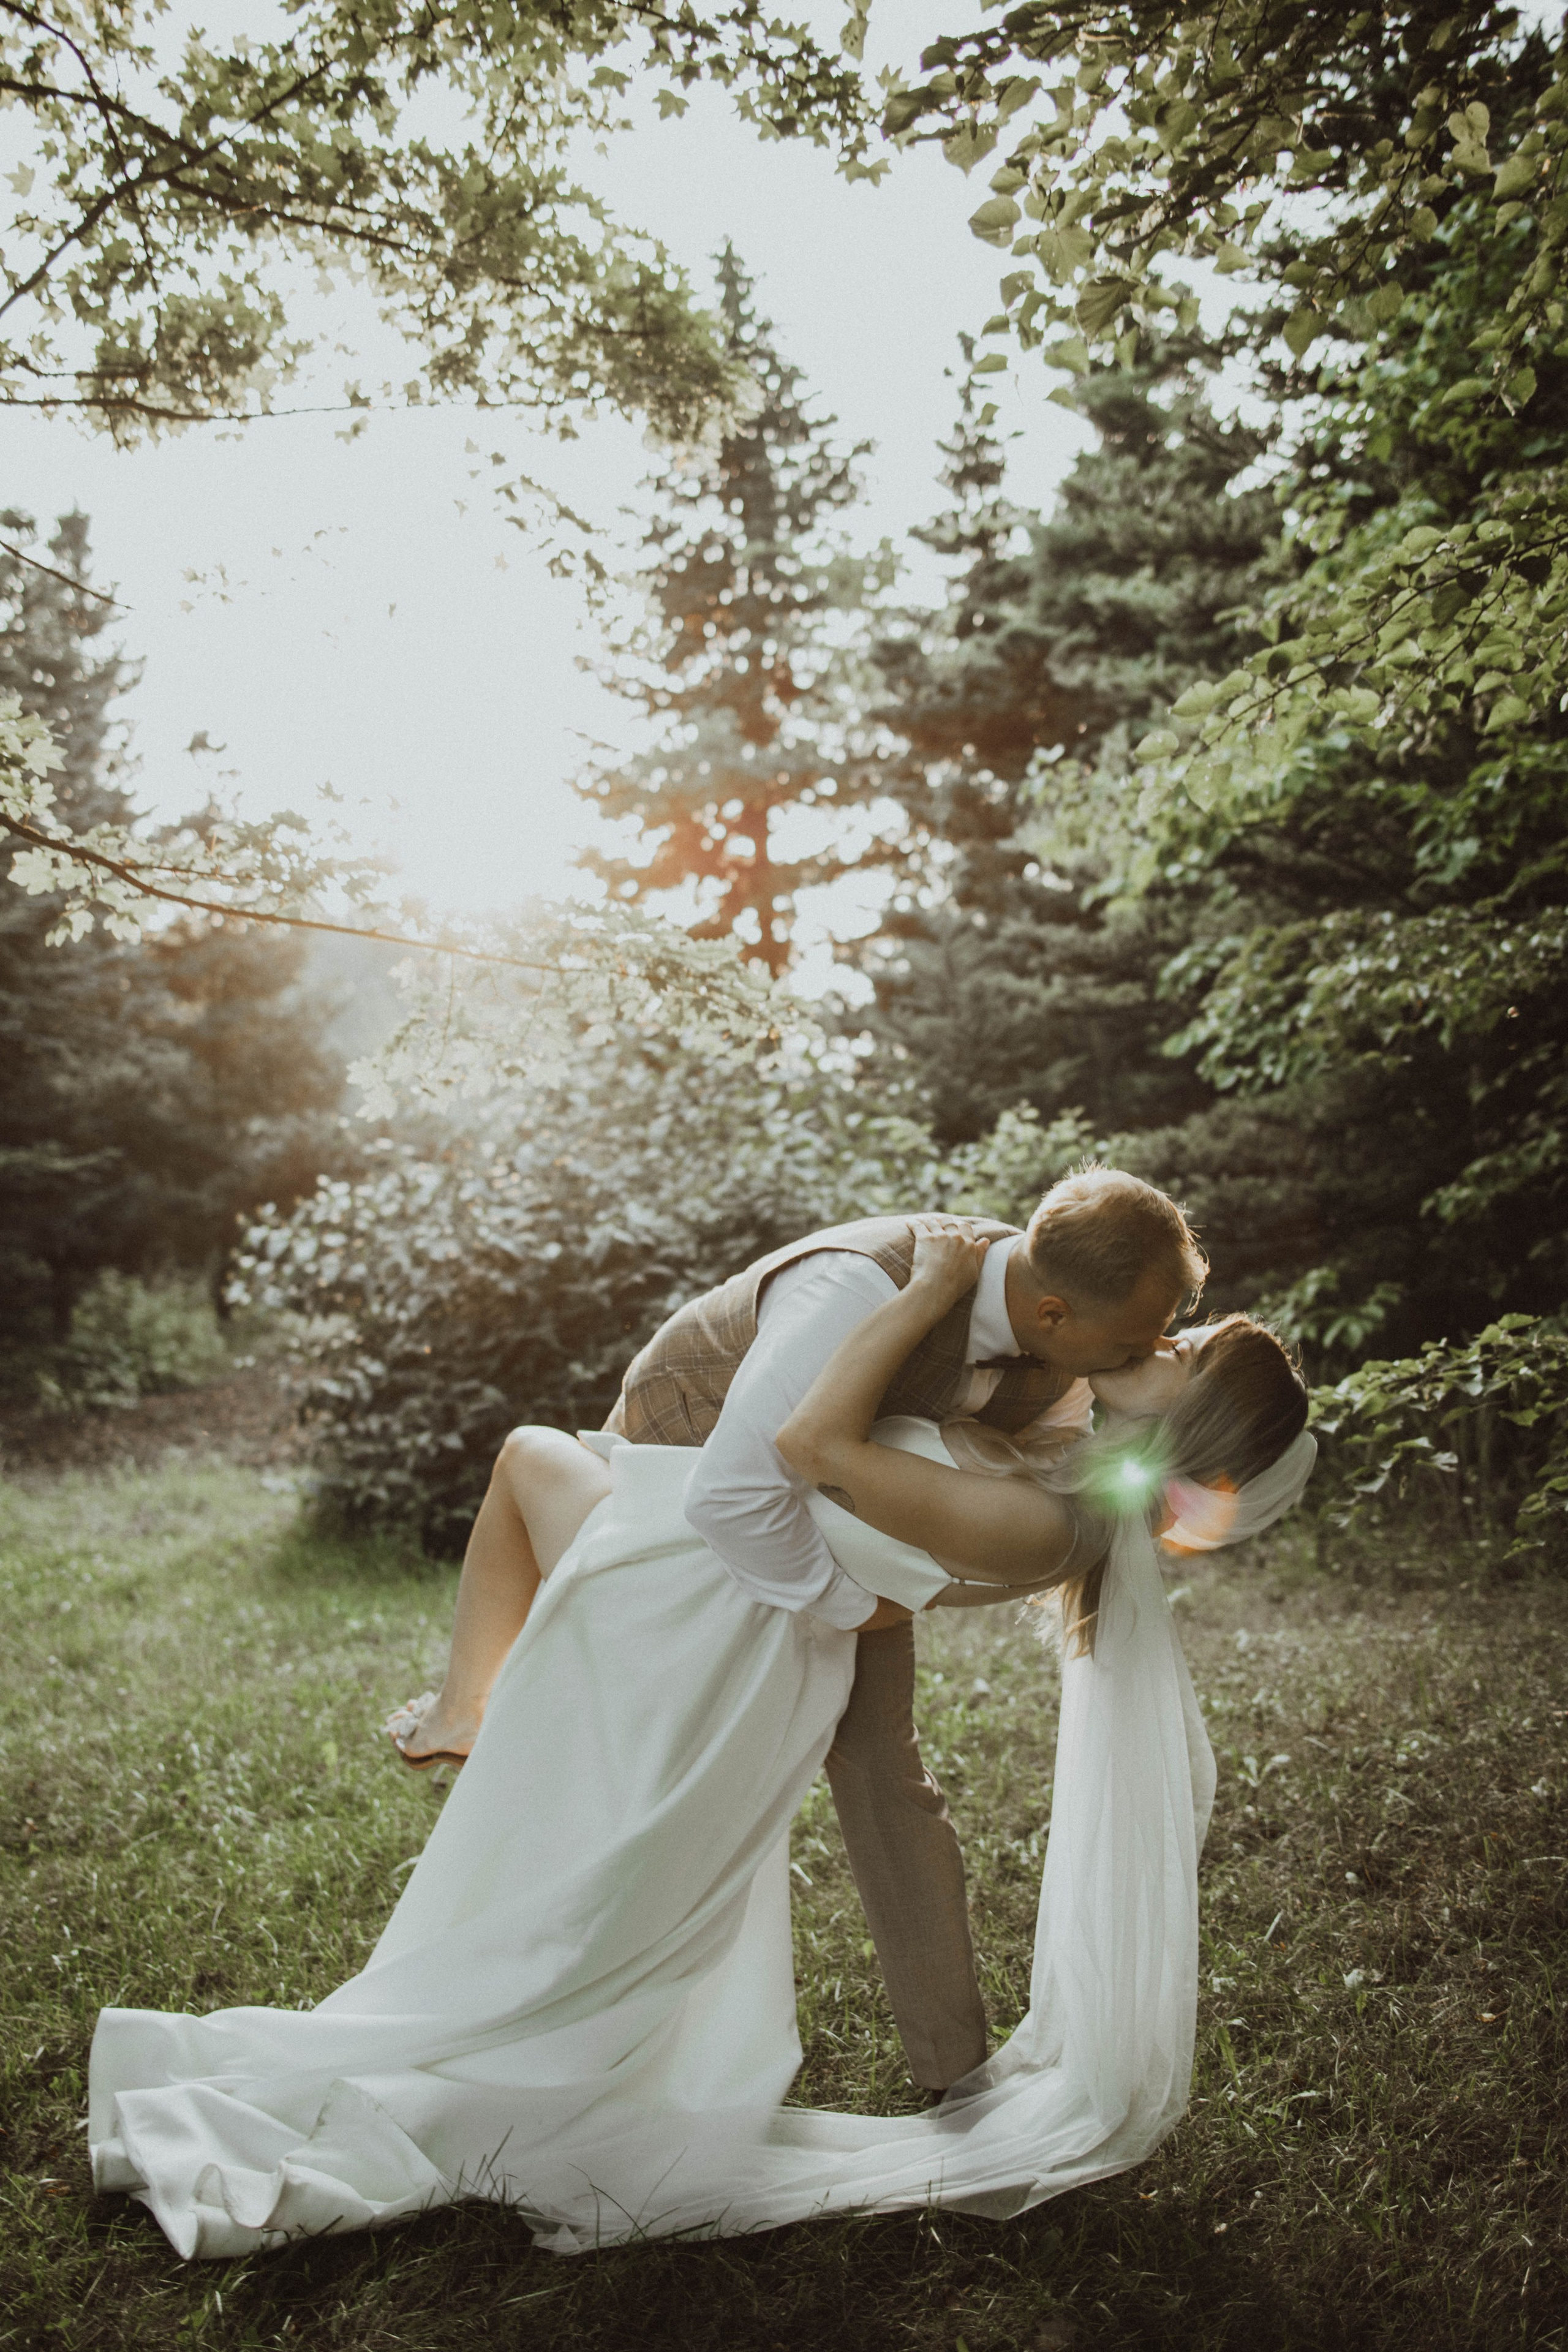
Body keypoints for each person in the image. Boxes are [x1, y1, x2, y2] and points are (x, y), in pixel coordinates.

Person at [89, 1221, 1315, 2260]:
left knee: (539, 1491)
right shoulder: (1056, 1436)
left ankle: (475, 1739)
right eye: (1169, 1329)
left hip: (725, 1605)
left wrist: (934, 1292)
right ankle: (473, 1722)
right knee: (537, 1483)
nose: (1159, 1343)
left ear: (1188, 1422)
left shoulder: (1043, 1515)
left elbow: (813, 1457)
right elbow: (877, 1497)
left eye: (1184, 1350)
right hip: (724, 1581)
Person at [390, 1167, 1209, 2095]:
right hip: (678, 1492)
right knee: (646, 1749)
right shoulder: (862, 1283)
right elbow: (734, 1497)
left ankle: (955, 2075)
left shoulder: (1053, 1350)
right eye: (1142, 1337)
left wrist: (876, 1588)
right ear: (1054, 1313)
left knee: (883, 1771)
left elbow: (1026, 1467)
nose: (1161, 1345)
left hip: (828, 1533)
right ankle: (481, 1756)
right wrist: (854, 1605)